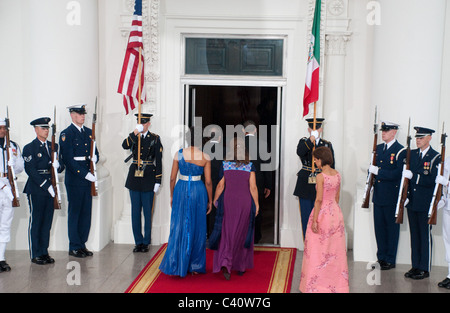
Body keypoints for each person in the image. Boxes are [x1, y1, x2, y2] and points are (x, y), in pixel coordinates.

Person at [159, 127, 212, 277]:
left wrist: (171, 195)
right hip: (198, 191)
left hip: (181, 189)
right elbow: (208, 182)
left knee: (179, 225)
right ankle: (195, 265)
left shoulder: (179, 154)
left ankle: (176, 263)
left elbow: (171, 178)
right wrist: (210, 199)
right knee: (197, 226)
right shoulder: (205, 157)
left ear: (188, 139)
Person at [299, 146, 349, 293]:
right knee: (334, 251)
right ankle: (337, 286)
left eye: (316, 159)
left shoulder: (321, 176)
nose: (315, 162)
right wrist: (333, 210)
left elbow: (318, 200)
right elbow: (337, 197)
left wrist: (315, 220)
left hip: (322, 214)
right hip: (336, 213)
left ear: (321, 159)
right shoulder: (338, 175)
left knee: (317, 250)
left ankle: (315, 286)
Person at [210, 137, 260, 280]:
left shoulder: (225, 164)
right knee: (242, 232)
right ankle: (240, 266)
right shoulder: (249, 166)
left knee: (227, 232)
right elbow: (253, 187)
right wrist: (256, 204)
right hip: (244, 202)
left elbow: (220, 185)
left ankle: (226, 261)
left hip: (228, 201)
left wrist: (215, 199)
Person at [23, 117, 64, 265]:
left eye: (47, 128)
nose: (46, 131)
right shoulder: (29, 148)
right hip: (37, 188)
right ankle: (35, 254)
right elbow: (30, 170)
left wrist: (57, 165)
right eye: (43, 128)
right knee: (37, 221)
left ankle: (44, 252)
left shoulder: (55, 146)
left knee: (47, 222)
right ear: (36, 129)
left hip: (51, 188)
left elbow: (61, 167)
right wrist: (46, 185)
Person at [59, 104, 99, 258]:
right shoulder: (66, 134)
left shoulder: (89, 133)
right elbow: (68, 160)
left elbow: (96, 153)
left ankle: (82, 244)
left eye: (84, 114)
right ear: (72, 115)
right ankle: (74, 246)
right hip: (75, 179)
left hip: (87, 179)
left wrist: (95, 158)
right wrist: (84, 174)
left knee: (85, 213)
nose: (83, 116)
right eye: (80, 114)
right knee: (75, 212)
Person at [402, 126, 440, 280]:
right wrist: (406, 196)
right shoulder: (412, 154)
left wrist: (414, 177)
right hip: (413, 202)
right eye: (417, 138)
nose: (418, 140)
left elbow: (433, 180)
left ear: (429, 138)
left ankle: (424, 268)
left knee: (424, 235)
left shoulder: (435, 157)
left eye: (421, 138)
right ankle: (415, 265)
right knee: (415, 235)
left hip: (425, 202)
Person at [122, 113, 162, 253]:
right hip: (134, 178)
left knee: (147, 211)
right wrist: (135, 132)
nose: (142, 125)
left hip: (148, 178)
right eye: (140, 123)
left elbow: (159, 161)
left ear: (149, 124)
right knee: (135, 212)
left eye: (144, 123)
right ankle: (138, 241)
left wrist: (158, 180)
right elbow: (124, 145)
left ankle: (146, 241)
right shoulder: (134, 137)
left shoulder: (155, 139)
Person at [368, 122, 404, 270]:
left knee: (391, 229)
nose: (383, 133)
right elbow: (372, 169)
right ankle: (381, 257)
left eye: (387, 131)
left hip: (391, 196)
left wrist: (378, 172)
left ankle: (390, 259)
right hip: (378, 195)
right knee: (380, 228)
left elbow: (397, 174)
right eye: (383, 131)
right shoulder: (379, 148)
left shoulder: (400, 150)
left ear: (394, 132)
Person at [294, 118, 334, 239]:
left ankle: (320, 245)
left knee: (322, 217)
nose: (315, 131)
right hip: (305, 184)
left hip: (322, 184)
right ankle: (308, 244)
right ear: (308, 129)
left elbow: (332, 166)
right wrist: (311, 139)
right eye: (312, 129)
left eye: (317, 129)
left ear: (321, 129)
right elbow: (300, 152)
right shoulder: (304, 142)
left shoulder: (326, 144)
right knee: (307, 217)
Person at [0, 118, 24, 272]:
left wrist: (12, 165)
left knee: (5, 225)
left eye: (5, 128)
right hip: (2, 186)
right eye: (1, 127)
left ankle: (1, 257)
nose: (3, 130)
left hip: (10, 186)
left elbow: (20, 166)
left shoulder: (13, 146)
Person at [243, 120, 272, 243]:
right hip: (259, 182)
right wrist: (268, 185)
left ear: (244, 131)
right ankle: (256, 237)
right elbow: (267, 167)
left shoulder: (238, 144)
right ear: (255, 130)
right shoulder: (263, 144)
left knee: (243, 209)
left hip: (241, 182)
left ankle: (243, 236)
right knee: (257, 209)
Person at [203, 125, 224, 238]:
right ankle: (217, 234)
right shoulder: (226, 151)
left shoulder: (201, 150)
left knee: (204, 210)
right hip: (221, 186)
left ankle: (205, 233)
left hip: (203, 184)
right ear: (219, 138)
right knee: (218, 211)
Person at [435, 156, 450, 289]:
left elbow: (446, 181)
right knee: (447, 240)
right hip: (447, 205)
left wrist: (446, 182)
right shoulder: (449, 159)